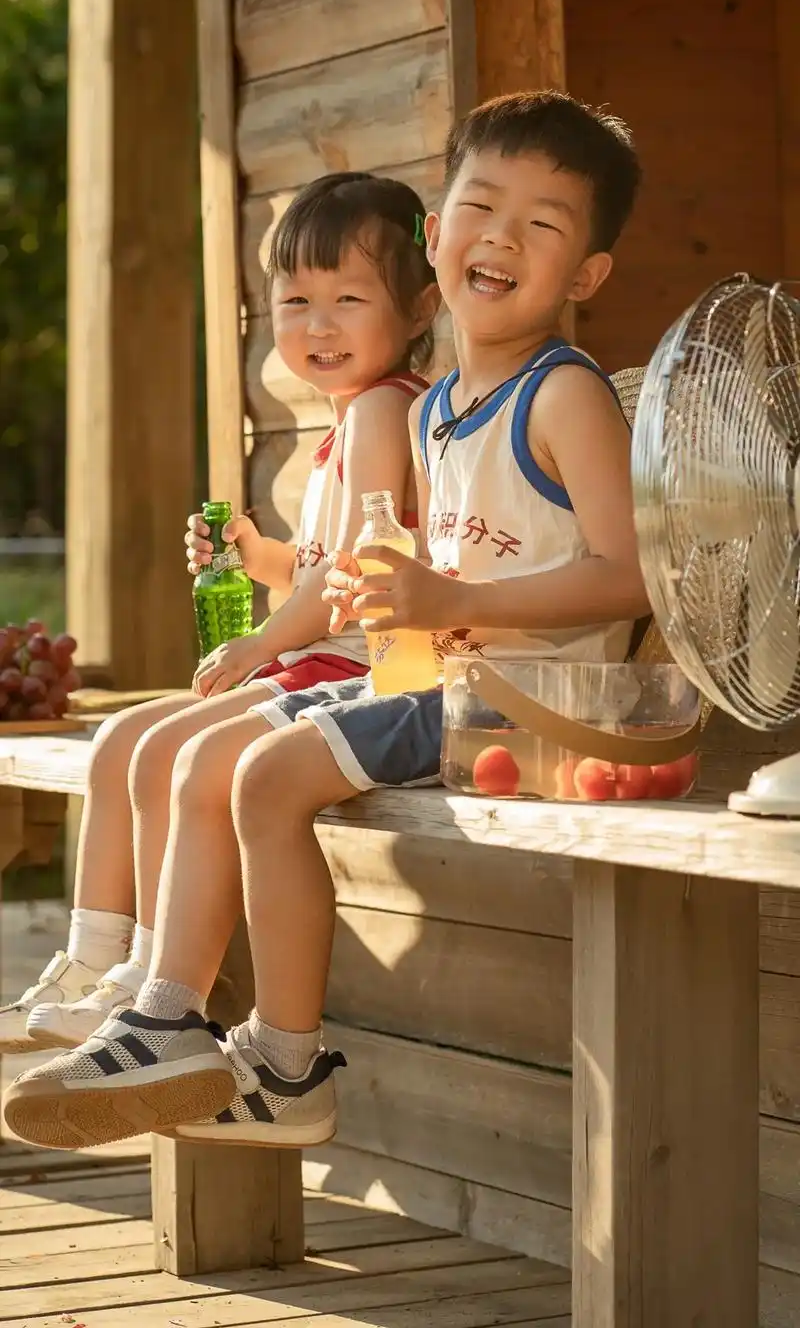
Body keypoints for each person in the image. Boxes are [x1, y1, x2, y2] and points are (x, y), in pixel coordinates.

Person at [3, 90, 650, 1154]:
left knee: (261, 775)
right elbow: (426, 579)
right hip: (438, 682)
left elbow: (627, 578)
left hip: (521, 707)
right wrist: (377, 597)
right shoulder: (439, 408)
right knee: (204, 758)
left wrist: (453, 605)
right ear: (434, 234)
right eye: (479, 208)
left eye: (539, 224)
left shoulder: (561, 396)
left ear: (583, 275)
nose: (499, 238)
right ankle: (163, 1010)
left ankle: (274, 1060)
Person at [0, 172, 439, 1058]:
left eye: (349, 299)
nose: (318, 325)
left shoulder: (383, 409)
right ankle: (96, 964)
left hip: (357, 671)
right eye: (296, 301)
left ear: (420, 307)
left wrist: (258, 642)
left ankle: (149, 981)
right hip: (317, 659)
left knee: (165, 750)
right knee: (123, 740)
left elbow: (349, 573)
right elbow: (311, 567)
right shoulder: (349, 422)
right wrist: (256, 554)